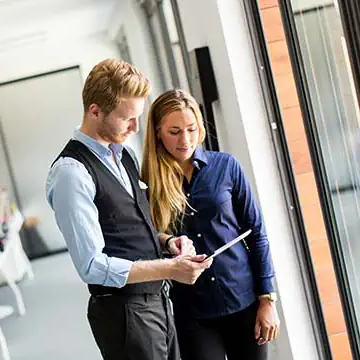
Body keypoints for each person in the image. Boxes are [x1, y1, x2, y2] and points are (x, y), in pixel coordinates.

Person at [46, 59, 212, 360]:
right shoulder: (72, 173)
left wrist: (165, 242)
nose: (136, 128)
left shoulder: (124, 156)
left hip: (157, 301)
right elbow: (92, 266)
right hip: (124, 314)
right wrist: (171, 269)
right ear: (95, 111)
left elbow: (127, 224)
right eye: (127, 120)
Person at [141, 89, 280, 360]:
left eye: (191, 129)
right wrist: (168, 241)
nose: (185, 140)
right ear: (157, 132)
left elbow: (257, 233)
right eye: (174, 131)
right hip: (193, 311)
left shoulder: (226, 167)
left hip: (244, 301)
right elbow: (148, 234)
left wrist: (267, 299)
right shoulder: (148, 183)